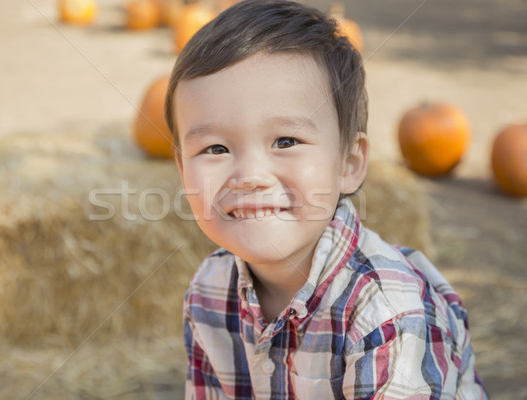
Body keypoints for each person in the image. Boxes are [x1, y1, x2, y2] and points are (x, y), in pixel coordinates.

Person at [164, 0, 488, 398]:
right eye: (215, 148)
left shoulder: (387, 313)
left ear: (348, 163)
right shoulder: (208, 292)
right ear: (183, 172)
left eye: (286, 141)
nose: (249, 177)